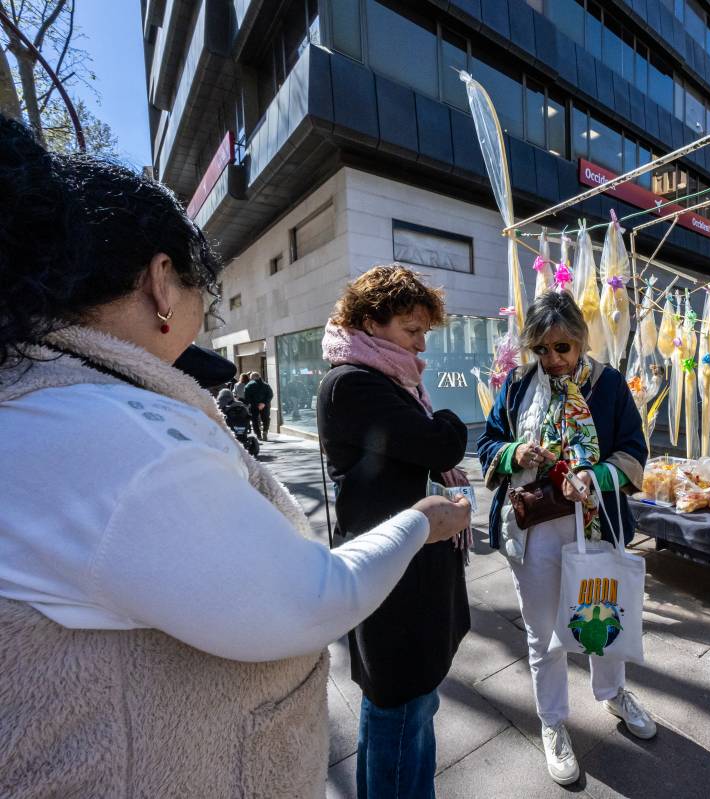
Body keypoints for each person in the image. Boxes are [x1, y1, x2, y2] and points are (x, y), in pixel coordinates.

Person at [0, 117, 472, 796]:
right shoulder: (123, 442)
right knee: (399, 728)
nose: (421, 350)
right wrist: (425, 519)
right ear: (163, 281)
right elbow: (309, 594)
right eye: (205, 292)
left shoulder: (59, 402)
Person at [477, 291, 653, 786]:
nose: (553, 360)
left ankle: (614, 694)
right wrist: (515, 453)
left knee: (604, 621)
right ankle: (553, 724)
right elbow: (488, 442)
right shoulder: (515, 387)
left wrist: (595, 477)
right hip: (533, 534)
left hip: (596, 527)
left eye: (563, 348)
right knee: (543, 637)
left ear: (580, 341)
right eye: (543, 350)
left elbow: (634, 451)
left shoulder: (609, 385)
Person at [317, 264, 471, 799]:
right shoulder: (355, 383)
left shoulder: (384, 377)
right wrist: (450, 421)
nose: (421, 342)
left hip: (405, 572)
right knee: (400, 710)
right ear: (369, 320)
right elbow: (439, 445)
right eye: (412, 329)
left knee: (405, 707)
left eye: (425, 330)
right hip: (394, 579)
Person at [243, 371, 274, 441]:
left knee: (255, 420)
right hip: (265, 406)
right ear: (259, 377)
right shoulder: (266, 385)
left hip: (254, 406)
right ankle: (265, 431)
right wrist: (264, 403)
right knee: (266, 419)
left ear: (252, 378)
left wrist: (254, 404)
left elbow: (247, 398)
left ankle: (258, 435)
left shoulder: (248, 386)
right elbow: (270, 395)